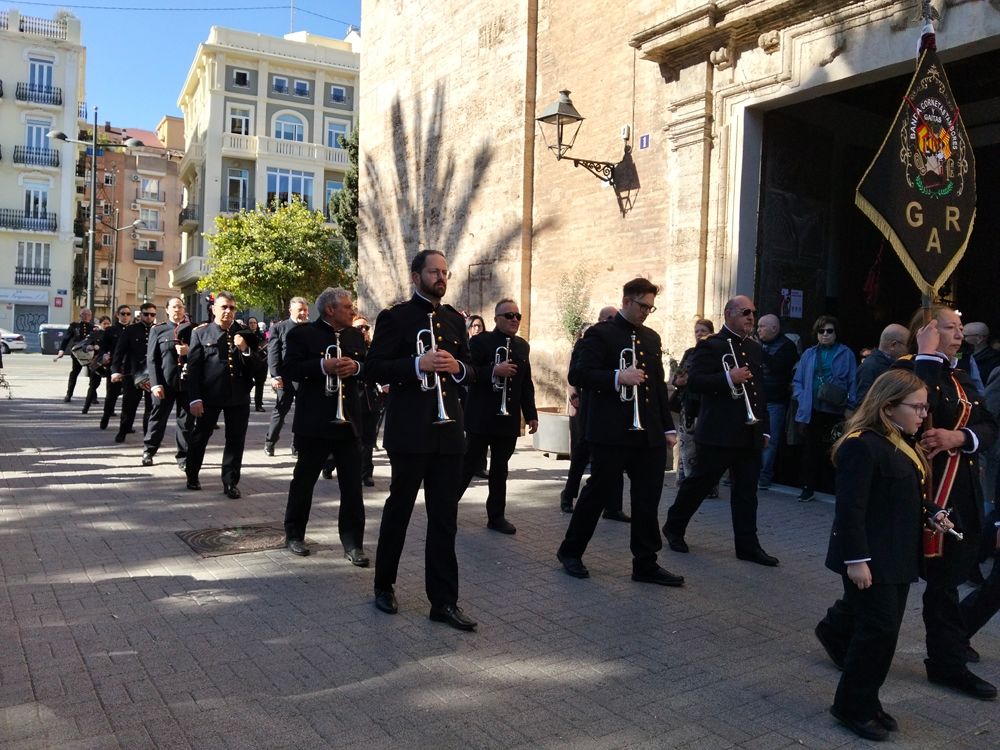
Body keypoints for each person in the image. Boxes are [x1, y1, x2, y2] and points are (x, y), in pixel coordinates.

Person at [816, 370, 953, 741]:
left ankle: (866, 701)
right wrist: (856, 560)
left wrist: (931, 511)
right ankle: (851, 707)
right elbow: (850, 509)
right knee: (876, 633)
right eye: (917, 406)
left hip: (896, 556)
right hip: (871, 558)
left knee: (884, 633)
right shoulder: (862, 445)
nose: (924, 414)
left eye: (925, 406)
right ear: (889, 407)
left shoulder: (898, 440)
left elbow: (900, 494)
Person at [366, 250, 477, 631]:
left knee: (445, 519)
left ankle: (444, 602)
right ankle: (384, 585)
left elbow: (472, 370)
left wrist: (457, 367)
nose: (441, 278)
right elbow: (373, 368)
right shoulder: (395, 317)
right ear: (416, 276)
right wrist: (417, 365)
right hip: (410, 433)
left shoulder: (455, 320)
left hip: (449, 434)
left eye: (445, 272)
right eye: (434, 272)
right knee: (399, 511)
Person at [893, 305, 998, 700]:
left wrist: (961, 437)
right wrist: (926, 357)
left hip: (958, 494)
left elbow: (989, 425)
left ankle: (946, 661)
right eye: (950, 327)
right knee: (891, 578)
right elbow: (920, 412)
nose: (960, 334)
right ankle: (838, 629)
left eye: (960, 327)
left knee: (945, 582)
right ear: (927, 332)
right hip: (918, 493)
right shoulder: (908, 370)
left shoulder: (960, 375)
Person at [557, 278, 683, 586]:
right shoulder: (600, 334)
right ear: (626, 301)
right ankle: (570, 551)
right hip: (611, 432)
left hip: (647, 432)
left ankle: (645, 563)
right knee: (598, 493)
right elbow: (579, 374)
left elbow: (656, 385)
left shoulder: (651, 338)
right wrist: (617, 377)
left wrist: (667, 427)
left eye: (650, 308)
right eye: (642, 306)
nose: (646, 312)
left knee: (647, 499)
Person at [664, 295, 779, 567]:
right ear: (729, 314)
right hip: (719, 431)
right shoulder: (710, 345)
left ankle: (747, 546)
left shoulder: (754, 348)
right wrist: (729, 377)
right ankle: (674, 526)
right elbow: (696, 382)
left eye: (753, 312)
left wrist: (764, 429)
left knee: (747, 492)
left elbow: (759, 392)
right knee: (700, 484)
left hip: (749, 432)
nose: (751, 317)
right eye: (745, 312)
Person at [282, 288, 368, 563]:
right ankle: (294, 534)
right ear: (330, 310)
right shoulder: (302, 334)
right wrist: (322, 365)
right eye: (347, 307)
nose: (352, 311)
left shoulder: (355, 335)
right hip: (315, 421)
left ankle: (353, 543)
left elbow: (369, 367)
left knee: (352, 486)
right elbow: (290, 368)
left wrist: (356, 367)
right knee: (304, 481)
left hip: (348, 421)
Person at [458, 298, 539, 534]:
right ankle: (446, 508)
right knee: (467, 465)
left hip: (507, 418)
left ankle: (496, 516)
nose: (514, 320)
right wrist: (494, 370)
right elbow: (469, 372)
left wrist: (531, 414)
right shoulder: (479, 341)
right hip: (481, 416)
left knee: (500, 469)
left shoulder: (522, 346)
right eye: (509, 316)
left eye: (517, 316)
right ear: (496, 319)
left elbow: (525, 383)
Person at [185, 292, 257, 498]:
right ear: (214, 309)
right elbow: (194, 369)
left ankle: (230, 482)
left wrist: (245, 349)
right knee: (201, 436)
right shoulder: (201, 333)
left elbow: (257, 367)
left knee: (236, 440)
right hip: (210, 395)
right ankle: (192, 473)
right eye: (224, 307)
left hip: (238, 395)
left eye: (232, 308)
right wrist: (195, 398)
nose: (228, 311)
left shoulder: (244, 333)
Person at [561, 305, 627, 517]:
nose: (612, 322)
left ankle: (613, 507)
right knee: (582, 452)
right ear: (600, 320)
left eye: (615, 318)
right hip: (591, 405)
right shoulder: (587, 342)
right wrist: (574, 394)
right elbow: (575, 373)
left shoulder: (622, 341)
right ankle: (568, 495)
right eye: (608, 318)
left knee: (616, 455)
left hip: (615, 406)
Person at [792, 316, 857, 502]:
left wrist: (851, 406)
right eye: (821, 331)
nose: (825, 334)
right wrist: (801, 396)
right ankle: (808, 488)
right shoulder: (809, 354)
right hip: (812, 409)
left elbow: (853, 382)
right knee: (810, 450)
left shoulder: (846, 354)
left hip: (836, 410)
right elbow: (797, 380)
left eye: (830, 331)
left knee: (835, 450)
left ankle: (834, 488)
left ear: (836, 333)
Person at [143, 297, 194, 470]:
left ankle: (184, 457)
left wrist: (189, 351)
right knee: (158, 418)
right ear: (166, 310)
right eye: (174, 307)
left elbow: (201, 354)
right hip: (165, 383)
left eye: (180, 306)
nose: (177, 310)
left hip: (186, 383)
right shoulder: (158, 330)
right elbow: (152, 359)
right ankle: (149, 450)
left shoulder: (193, 329)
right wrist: (155, 384)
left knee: (186, 422)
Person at [756, 314, 799, 490]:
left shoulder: (787, 347)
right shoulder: (758, 344)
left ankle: (764, 476)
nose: (758, 330)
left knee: (770, 440)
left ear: (774, 328)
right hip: (756, 399)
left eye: (762, 327)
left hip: (775, 401)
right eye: (758, 326)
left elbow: (778, 368)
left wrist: (760, 352)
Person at [264, 298, 310, 456]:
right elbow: (273, 353)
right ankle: (270, 442)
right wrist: (275, 375)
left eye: (305, 310)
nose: (303, 313)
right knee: (281, 410)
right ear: (291, 311)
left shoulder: (311, 329)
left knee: (302, 412)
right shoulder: (279, 328)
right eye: (299, 310)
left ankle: (296, 446)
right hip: (285, 378)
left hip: (305, 378)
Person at [111, 302, 157, 444]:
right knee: (129, 406)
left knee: (151, 407)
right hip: (133, 374)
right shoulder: (131, 330)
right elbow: (119, 352)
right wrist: (115, 371)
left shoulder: (158, 330)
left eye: (152, 314)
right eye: (146, 314)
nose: (149, 317)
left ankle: (148, 436)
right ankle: (123, 431)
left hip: (153, 375)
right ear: (140, 314)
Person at [354, 314, 383, 487]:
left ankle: (366, 473)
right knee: (352, 438)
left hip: (370, 399)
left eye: (366, 328)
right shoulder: (346, 346)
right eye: (359, 328)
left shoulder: (373, 348)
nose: (363, 330)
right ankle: (330, 463)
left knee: (368, 439)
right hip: (352, 398)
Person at [855, 324, 910, 404]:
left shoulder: (900, 364)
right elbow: (862, 403)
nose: (910, 349)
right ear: (893, 345)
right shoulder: (869, 367)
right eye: (908, 345)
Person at [99, 306, 131, 430]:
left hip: (129, 367)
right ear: (117, 315)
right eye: (123, 313)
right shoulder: (110, 330)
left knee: (128, 398)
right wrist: (104, 355)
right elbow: (103, 347)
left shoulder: (133, 329)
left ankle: (126, 424)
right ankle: (105, 417)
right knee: (111, 395)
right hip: (115, 366)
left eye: (128, 314)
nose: (125, 316)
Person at [56, 308, 94, 402]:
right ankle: (69, 394)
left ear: (90, 317)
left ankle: (93, 396)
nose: (86, 316)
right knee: (74, 373)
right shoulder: (74, 326)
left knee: (93, 375)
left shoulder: (93, 327)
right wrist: (61, 350)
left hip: (89, 354)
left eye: (88, 314)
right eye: (84, 314)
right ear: (80, 316)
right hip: (77, 354)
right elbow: (66, 338)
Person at [80, 316, 112, 414]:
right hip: (97, 362)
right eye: (104, 324)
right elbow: (85, 344)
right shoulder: (95, 333)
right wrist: (88, 347)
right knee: (93, 385)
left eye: (108, 323)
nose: (106, 325)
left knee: (111, 388)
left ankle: (110, 410)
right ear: (100, 324)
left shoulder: (113, 333)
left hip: (110, 362)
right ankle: (86, 407)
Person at [964, 322, 1000, 386]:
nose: (960, 337)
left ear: (979, 338)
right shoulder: (964, 353)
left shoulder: (994, 360)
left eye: (965, 336)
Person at [246, 317, 269, 412]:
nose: (253, 324)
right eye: (251, 323)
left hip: (261, 362)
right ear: (248, 324)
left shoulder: (262, 335)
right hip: (248, 363)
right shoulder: (244, 335)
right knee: (247, 384)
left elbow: (266, 346)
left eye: (254, 323)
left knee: (260, 385)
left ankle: (258, 405)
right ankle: (245, 403)